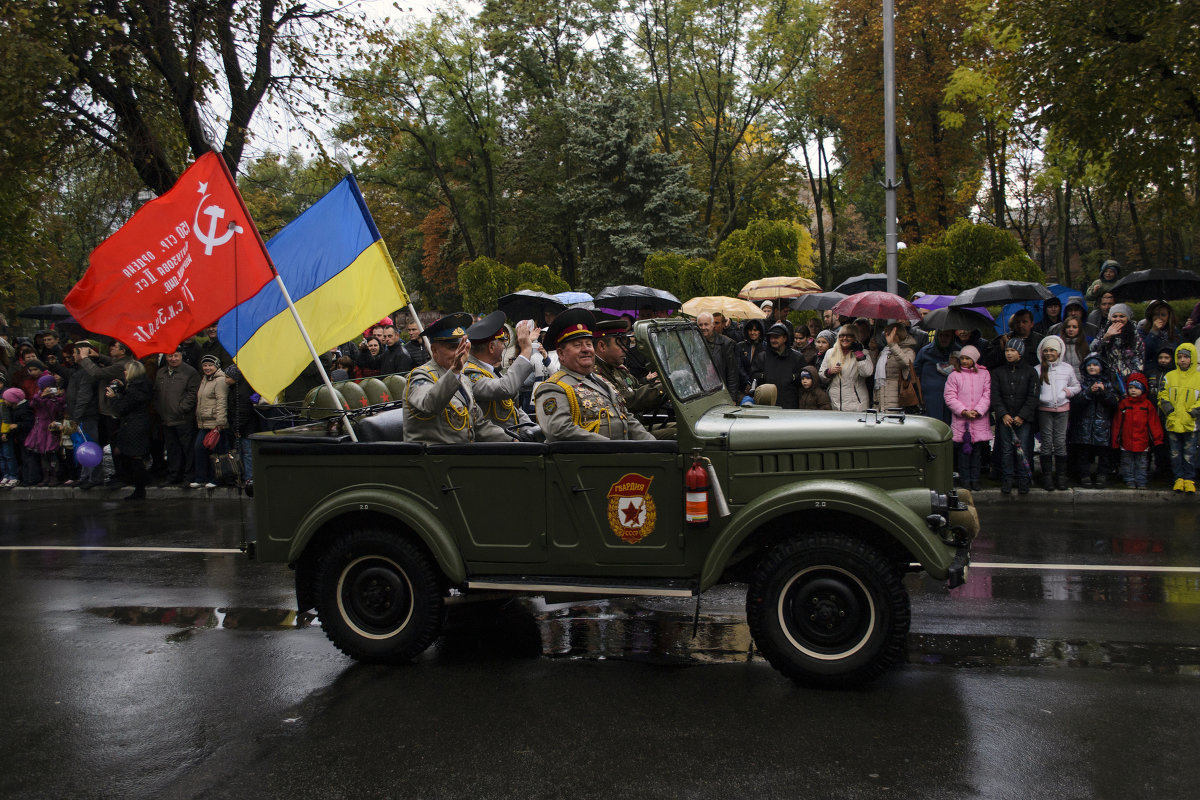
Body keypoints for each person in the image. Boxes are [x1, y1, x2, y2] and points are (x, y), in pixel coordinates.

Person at [533, 309, 653, 442]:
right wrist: (615, 448)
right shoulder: (554, 388)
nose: (586, 349)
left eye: (589, 344)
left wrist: (654, 446)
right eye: (577, 345)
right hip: (593, 460)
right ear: (561, 354)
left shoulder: (602, 382)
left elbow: (627, 418)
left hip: (622, 457)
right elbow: (560, 431)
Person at [403, 313, 513, 445]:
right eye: (453, 347)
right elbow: (430, 404)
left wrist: (513, 441)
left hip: (462, 457)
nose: (459, 352)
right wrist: (454, 371)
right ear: (434, 350)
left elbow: (479, 424)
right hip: (435, 459)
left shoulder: (463, 379)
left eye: (463, 346)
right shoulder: (420, 376)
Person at [463, 311, 536, 432]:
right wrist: (526, 350)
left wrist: (530, 428)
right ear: (491, 347)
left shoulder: (492, 371)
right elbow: (506, 388)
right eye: (503, 342)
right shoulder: (470, 374)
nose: (504, 347)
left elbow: (513, 408)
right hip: (495, 445)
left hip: (512, 441)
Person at [990, 339, 1039, 494]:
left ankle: (1023, 480)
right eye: (1007, 350)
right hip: (1005, 419)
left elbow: (1033, 396)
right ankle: (1007, 479)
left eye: (1012, 350)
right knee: (1006, 450)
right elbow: (995, 396)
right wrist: (1003, 414)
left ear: (1020, 352)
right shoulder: (998, 372)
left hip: (1022, 419)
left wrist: (1022, 416)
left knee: (1023, 449)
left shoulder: (1030, 372)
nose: (1009, 353)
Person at [1069, 355, 1121, 489]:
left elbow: (1114, 404)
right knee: (1083, 452)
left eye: (1095, 365)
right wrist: (1089, 392)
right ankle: (1084, 475)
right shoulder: (1081, 384)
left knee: (1104, 452)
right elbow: (1075, 403)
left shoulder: (1109, 384)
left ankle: (1102, 475)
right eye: (1089, 365)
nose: (1092, 367)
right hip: (1083, 425)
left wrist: (1103, 393)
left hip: (1103, 425)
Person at [943, 345, 991, 491]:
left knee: (977, 453)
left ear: (974, 359)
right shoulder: (954, 375)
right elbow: (949, 396)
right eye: (962, 358)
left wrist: (978, 410)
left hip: (978, 420)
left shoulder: (984, 374)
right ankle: (965, 480)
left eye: (967, 358)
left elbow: (987, 395)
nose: (964, 361)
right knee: (963, 453)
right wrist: (963, 411)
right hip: (962, 421)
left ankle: (975, 479)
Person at [1036, 336, 1081, 491]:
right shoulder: (1038, 369)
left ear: (1059, 351)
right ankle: (1047, 476)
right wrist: (1040, 398)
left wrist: (1066, 393)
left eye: (1052, 350)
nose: (1049, 353)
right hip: (1044, 410)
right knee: (1047, 442)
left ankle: (1061, 476)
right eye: (1046, 350)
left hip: (1062, 409)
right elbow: (1034, 389)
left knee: (1060, 442)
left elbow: (1076, 385)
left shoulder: (1067, 368)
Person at [153, 345, 200, 485]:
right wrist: (159, 409)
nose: (173, 359)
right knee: (172, 450)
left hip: (184, 419)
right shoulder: (161, 372)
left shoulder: (190, 372)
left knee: (187, 449)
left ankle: (188, 476)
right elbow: (156, 393)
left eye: (176, 356)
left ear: (181, 356)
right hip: (166, 419)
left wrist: (182, 408)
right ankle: (173, 476)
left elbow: (193, 393)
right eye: (170, 356)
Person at [1157, 342, 1200, 493]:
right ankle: (1178, 478)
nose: (1182, 360)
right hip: (1173, 422)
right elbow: (1162, 395)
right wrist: (1169, 411)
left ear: (1192, 359)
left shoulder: (1198, 377)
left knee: (1190, 453)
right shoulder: (1170, 376)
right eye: (1180, 357)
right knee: (1175, 453)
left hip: (1191, 423)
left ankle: (1189, 479)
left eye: (1186, 357)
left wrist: (1193, 413)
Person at [107, 360, 153, 500]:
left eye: (126, 370)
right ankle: (139, 486)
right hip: (140, 424)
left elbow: (122, 408)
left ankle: (139, 490)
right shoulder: (143, 385)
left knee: (135, 457)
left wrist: (114, 398)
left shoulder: (134, 390)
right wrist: (123, 388)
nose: (124, 373)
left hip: (133, 426)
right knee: (134, 455)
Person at [1112, 372, 1165, 490]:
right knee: (1127, 462)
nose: (1133, 390)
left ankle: (1141, 481)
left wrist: (1157, 439)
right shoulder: (1124, 404)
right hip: (1126, 441)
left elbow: (1154, 423)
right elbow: (1117, 424)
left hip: (1143, 441)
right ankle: (1129, 480)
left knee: (1142, 463)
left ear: (1143, 389)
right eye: (1130, 388)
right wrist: (1115, 439)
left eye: (1136, 388)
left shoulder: (1147, 405)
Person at [192, 354, 229, 489]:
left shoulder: (220, 380)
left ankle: (216, 479)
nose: (207, 368)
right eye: (205, 365)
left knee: (217, 453)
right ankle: (201, 478)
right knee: (199, 449)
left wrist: (220, 422)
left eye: (210, 365)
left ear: (216, 366)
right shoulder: (205, 379)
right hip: (204, 422)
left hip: (215, 423)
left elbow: (221, 401)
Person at [751, 322, 806, 408]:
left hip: (790, 404)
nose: (773, 340)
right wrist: (765, 375)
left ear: (785, 338)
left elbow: (803, 378)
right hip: (767, 404)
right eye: (771, 337)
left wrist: (793, 377)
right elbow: (753, 375)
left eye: (776, 337)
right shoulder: (762, 357)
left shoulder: (797, 357)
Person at [819, 325, 873, 412]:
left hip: (857, 406)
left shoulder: (864, 353)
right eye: (841, 335)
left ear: (855, 337)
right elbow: (821, 376)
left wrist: (859, 355)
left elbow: (867, 372)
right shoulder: (830, 353)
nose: (845, 338)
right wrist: (829, 372)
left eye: (849, 336)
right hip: (834, 405)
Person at [1090, 302, 1145, 382]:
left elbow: (1139, 358)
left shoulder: (1135, 333)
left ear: (1127, 318)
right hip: (1108, 377)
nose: (1118, 319)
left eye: (1122, 316)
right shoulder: (1104, 330)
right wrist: (1106, 337)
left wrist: (1132, 379)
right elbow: (1093, 350)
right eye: (1115, 316)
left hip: (1129, 378)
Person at [26, 373, 65, 486]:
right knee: (42, 453)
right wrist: (42, 396)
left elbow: (60, 408)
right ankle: (46, 476)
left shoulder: (58, 396)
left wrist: (56, 397)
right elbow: (32, 404)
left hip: (52, 427)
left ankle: (55, 476)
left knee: (52, 452)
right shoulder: (39, 395)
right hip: (40, 428)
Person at [871, 322, 918, 411]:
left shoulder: (908, 350)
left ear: (897, 334)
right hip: (880, 394)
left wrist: (892, 345)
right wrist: (873, 350)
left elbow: (906, 363)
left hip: (897, 395)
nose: (887, 337)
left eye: (889, 334)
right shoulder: (885, 351)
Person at [913, 329, 956, 424]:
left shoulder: (958, 352)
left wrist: (956, 365)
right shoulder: (925, 351)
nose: (943, 338)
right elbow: (914, 373)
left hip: (953, 399)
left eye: (947, 336)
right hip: (930, 399)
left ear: (952, 337)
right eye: (941, 335)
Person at [696, 312, 740, 401]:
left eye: (706, 324)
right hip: (700, 394)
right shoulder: (694, 343)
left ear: (712, 325)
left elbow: (732, 373)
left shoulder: (726, 343)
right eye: (700, 325)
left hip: (721, 394)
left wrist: (732, 398)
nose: (703, 328)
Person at [1, 387, 32, 486]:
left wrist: (7, 431)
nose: (5, 401)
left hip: (18, 436)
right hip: (14, 435)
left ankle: (17, 477)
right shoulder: (12, 407)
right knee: (3, 457)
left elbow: (6, 418)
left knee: (11, 455)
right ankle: (7, 476)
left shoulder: (22, 409)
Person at [737, 319, 766, 396]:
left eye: (755, 330)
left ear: (760, 331)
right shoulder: (740, 346)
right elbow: (738, 366)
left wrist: (754, 382)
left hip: (761, 387)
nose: (752, 333)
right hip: (742, 386)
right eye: (750, 330)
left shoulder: (765, 347)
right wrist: (747, 382)